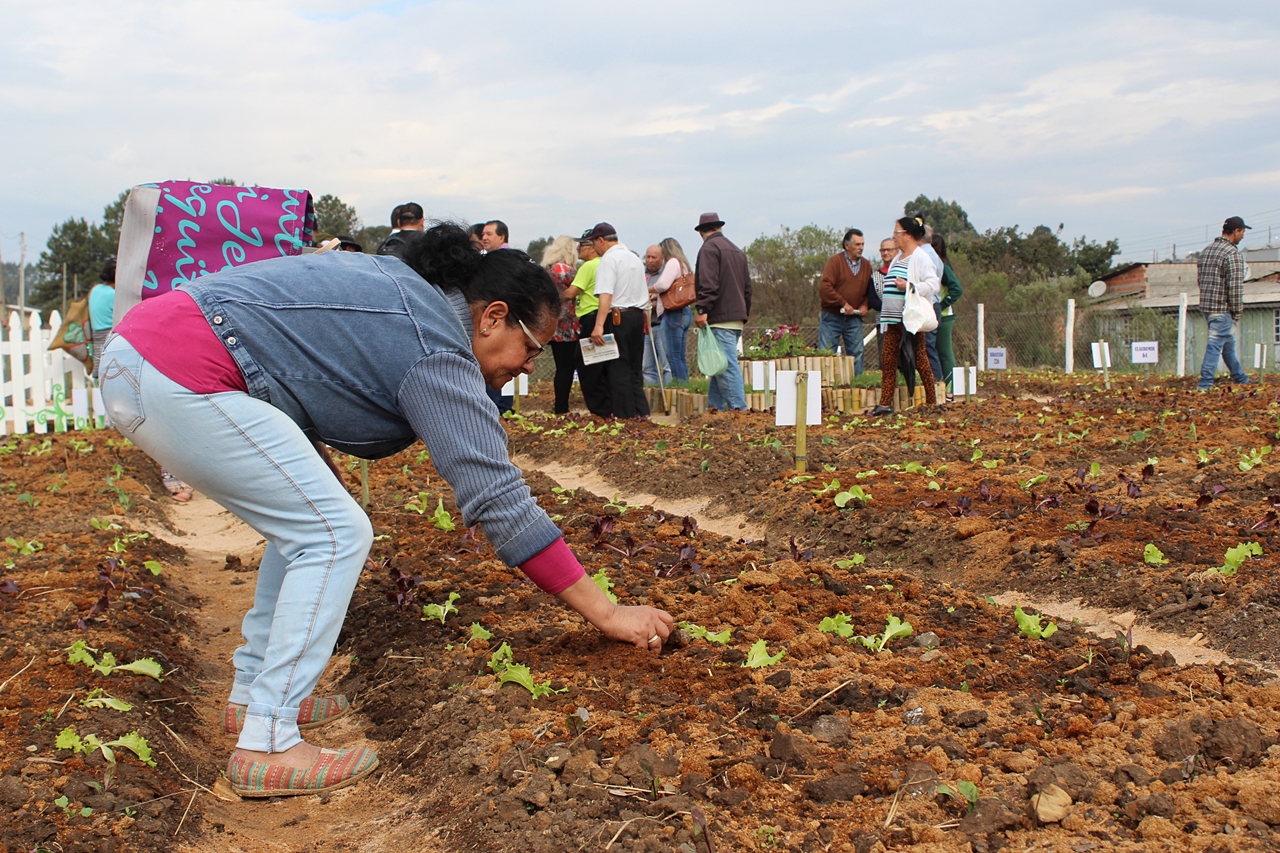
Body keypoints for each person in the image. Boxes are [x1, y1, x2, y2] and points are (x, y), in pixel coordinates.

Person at [98, 223, 673, 798]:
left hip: (146, 354)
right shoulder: (434, 345)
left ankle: (254, 694)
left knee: (310, 522)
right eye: (531, 348)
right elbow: (499, 497)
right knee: (334, 533)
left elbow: (288, 354)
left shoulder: (403, 291)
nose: (529, 368)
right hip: (178, 371)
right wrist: (607, 612)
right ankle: (267, 742)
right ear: (492, 316)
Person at [89, 257, 195, 502]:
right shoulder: (116, 296)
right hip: (123, 346)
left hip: (105, 347)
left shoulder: (95, 293)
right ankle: (174, 476)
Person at [872, 216, 939, 415]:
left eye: (897, 233)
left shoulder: (920, 257)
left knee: (919, 358)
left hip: (909, 319)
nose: (894, 237)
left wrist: (910, 286)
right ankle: (885, 403)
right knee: (889, 359)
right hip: (893, 320)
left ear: (908, 235)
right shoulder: (897, 258)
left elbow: (933, 284)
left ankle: (932, 400)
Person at [585, 223, 650, 419]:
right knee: (634, 367)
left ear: (601, 240)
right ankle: (641, 411)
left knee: (618, 368)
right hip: (637, 316)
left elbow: (606, 294)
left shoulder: (609, 260)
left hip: (618, 316)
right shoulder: (634, 258)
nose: (594, 248)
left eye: (594, 243)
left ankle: (625, 415)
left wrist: (598, 325)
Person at [693, 212, 751, 412]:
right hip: (736, 317)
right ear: (719, 228)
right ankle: (715, 410)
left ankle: (739, 411)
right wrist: (743, 313)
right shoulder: (736, 250)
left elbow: (708, 283)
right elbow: (747, 289)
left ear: (701, 232)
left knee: (726, 367)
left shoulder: (709, 248)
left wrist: (702, 309)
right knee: (719, 366)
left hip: (719, 318)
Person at [1197, 216, 1253, 391]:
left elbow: (1201, 280)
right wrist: (1237, 313)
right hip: (1223, 309)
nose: (1243, 236)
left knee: (1227, 342)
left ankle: (1240, 376)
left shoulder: (1206, 251)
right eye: (1242, 232)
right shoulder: (1232, 254)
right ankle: (1205, 383)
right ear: (1236, 231)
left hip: (1207, 306)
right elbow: (1235, 288)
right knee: (1215, 345)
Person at [561, 234, 609, 417]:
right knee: (601, 363)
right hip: (602, 317)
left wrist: (553, 297)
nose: (578, 248)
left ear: (591, 246)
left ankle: (598, 409)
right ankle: (606, 405)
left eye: (581, 245)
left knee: (587, 365)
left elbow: (571, 292)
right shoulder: (603, 264)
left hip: (590, 317)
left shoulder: (588, 266)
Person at [817, 229, 872, 373]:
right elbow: (825, 287)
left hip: (854, 317)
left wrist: (866, 305)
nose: (861, 247)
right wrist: (843, 303)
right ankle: (824, 387)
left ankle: (856, 387)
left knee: (857, 354)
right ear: (847, 245)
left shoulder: (866, 266)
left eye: (862, 244)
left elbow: (870, 290)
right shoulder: (835, 262)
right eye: (857, 244)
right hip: (832, 316)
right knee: (826, 354)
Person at [540, 235, 582, 414]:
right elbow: (580, 287)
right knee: (566, 368)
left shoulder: (547, 270)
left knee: (561, 367)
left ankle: (560, 406)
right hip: (567, 326)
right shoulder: (565, 270)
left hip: (553, 324)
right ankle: (562, 408)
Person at [656, 238, 695, 381]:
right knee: (680, 356)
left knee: (673, 356)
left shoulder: (672, 262)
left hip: (673, 314)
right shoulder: (684, 264)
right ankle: (684, 384)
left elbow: (662, 285)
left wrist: (648, 290)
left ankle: (680, 385)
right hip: (684, 312)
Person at [931, 234, 963, 400]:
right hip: (931, 316)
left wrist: (942, 305)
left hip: (943, 316)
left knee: (944, 352)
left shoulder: (943, 267)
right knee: (933, 351)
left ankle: (952, 388)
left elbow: (957, 289)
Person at [641, 245, 672, 386]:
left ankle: (669, 392)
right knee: (647, 367)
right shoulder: (641, 274)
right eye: (648, 256)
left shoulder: (666, 275)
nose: (650, 260)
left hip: (661, 324)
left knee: (667, 365)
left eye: (654, 257)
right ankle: (652, 397)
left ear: (662, 258)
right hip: (646, 327)